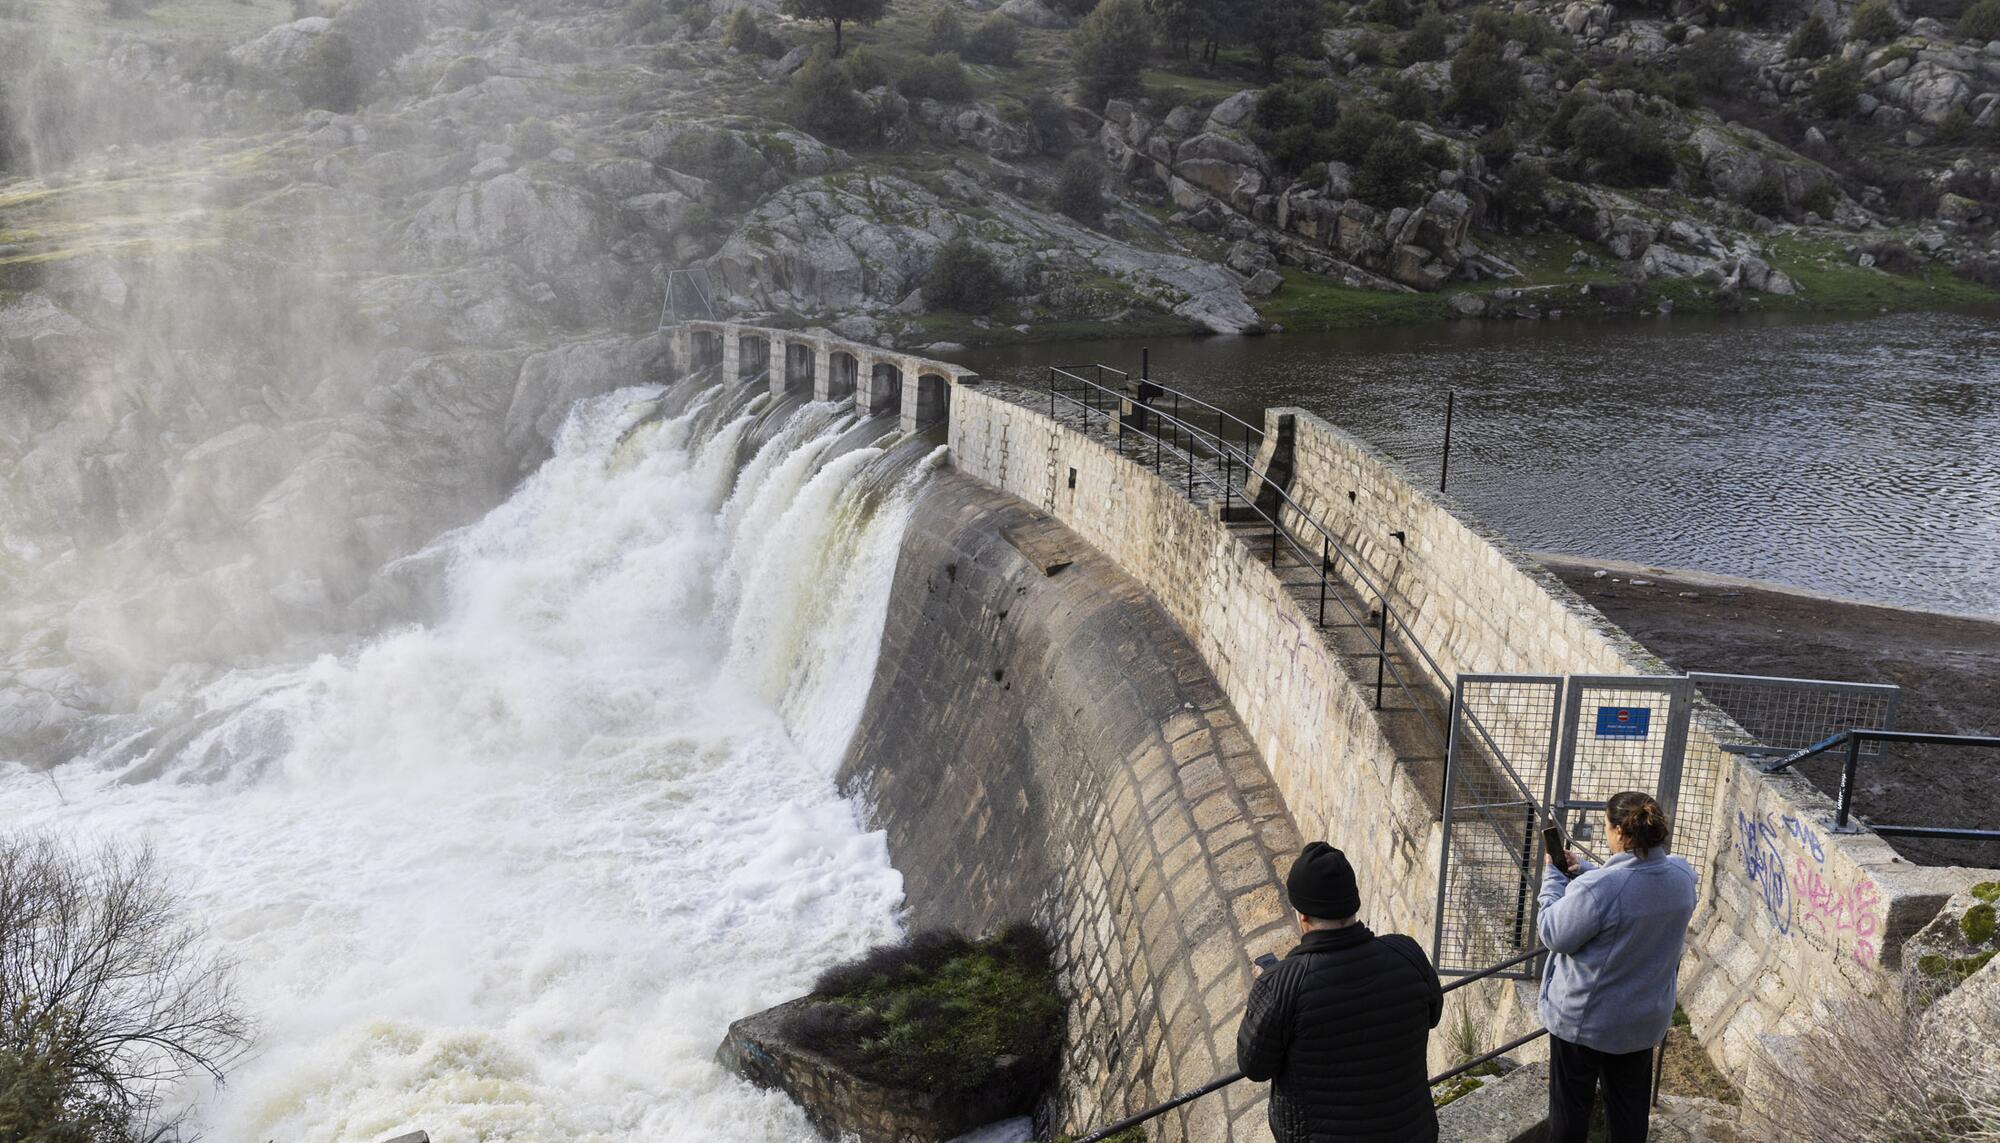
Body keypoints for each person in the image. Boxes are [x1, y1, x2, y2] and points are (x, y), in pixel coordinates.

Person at [1236, 842, 1445, 1143]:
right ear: (1352, 903)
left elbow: (1253, 1066)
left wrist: (1266, 985)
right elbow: (1433, 1014)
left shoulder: (1282, 985)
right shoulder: (1406, 953)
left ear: (1302, 916)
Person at [1538, 791, 1699, 1143]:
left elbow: (1553, 932)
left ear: (1620, 834)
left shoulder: (1599, 890)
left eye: (1607, 828)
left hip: (1586, 1021)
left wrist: (1554, 878)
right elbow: (1637, 890)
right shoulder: (1683, 876)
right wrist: (1586, 873)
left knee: (1569, 1119)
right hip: (1642, 1021)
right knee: (1629, 1118)